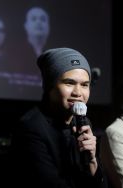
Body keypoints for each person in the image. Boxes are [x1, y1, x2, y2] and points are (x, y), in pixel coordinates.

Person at [11, 47, 107, 188]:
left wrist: (92, 161)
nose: (78, 92)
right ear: (50, 86)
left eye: (85, 85)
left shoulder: (83, 123)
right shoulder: (32, 127)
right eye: (69, 83)